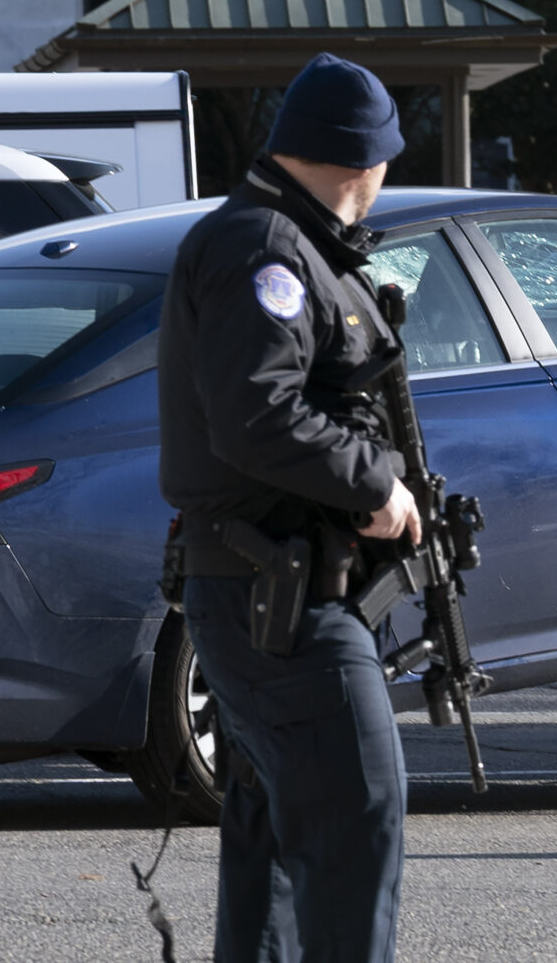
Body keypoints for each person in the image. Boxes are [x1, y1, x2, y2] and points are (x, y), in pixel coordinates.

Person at [157, 52, 421, 963]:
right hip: (279, 601)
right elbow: (257, 415)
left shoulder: (288, 244)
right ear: (362, 161)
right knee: (357, 822)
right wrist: (374, 485)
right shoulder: (267, 249)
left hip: (279, 592)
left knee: (275, 841)